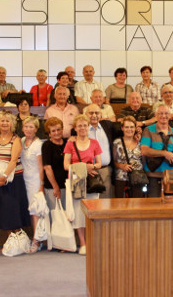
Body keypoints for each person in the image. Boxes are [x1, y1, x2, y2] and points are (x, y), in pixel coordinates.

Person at [0, 110, 30, 247]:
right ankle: (10, 243)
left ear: (12, 123)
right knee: (4, 212)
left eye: (7, 120)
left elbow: (13, 160)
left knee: (13, 211)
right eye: (2, 120)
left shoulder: (16, 139)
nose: (4, 123)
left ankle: (21, 242)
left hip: (13, 180)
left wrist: (4, 176)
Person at [63, 114, 102, 256]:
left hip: (91, 180)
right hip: (76, 179)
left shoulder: (94, 143)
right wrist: (83, 167)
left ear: (88, 127)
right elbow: (66, 165)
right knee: (78, 213)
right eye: (79, 126)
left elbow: (99, 163)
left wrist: (92, 166)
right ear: (75, 128)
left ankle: (91, 241)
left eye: (85, 125)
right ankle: (83, 243)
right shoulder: (70, 144)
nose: (82, 128)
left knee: (91, 211)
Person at [140, 104, 173, 197]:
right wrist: (164, 153)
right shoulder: (148, 130)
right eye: (161, 113)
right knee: (154, 206)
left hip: (172, 176)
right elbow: (144, 150)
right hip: (153, 175)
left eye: (166, 113)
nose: (164, 116)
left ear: (170, 115)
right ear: (156, 115)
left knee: (172, 206)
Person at [20, 116, 45, 253]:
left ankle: (36, 241)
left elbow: (41, 167)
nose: (28, 129)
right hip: (24, 180)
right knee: (31, 211)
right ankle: (36, 237)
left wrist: (41, 185)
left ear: (36, 129)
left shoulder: (38, 144)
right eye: (26, 126)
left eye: (31, 127)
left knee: (36, 211)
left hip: (35, 180)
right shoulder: (22, 141)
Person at [85, 104, 115, 199]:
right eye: (91, 113)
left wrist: (137, 132)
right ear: (86, 114)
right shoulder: (81, 129)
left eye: (97, 113)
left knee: (105, 201)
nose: (94, 115)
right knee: (90, 201)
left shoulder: (108, 125)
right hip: (88, 171)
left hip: (105, 171)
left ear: (101, 114)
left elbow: (123, 131)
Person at [112, 116, 144, 198]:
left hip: (137, 178)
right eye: (126, 127)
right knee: (120, 205)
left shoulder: (140, 141)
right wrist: (121, 166)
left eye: (132, 127)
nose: (129, 129)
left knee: (137, 205)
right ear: (122, 128)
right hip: (121, 178)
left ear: (135, 128)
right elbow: (113, 161)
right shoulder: (117, 142)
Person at [42, 117, 67, 211]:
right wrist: (56, 187)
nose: (56, 132)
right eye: (53, 131)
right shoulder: (47, 146)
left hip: (67, 185)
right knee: (56, 216)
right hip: (53, 187)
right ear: (49, 133)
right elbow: (47, 168)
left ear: (62, 129)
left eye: (58, 129)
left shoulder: (67, 142)